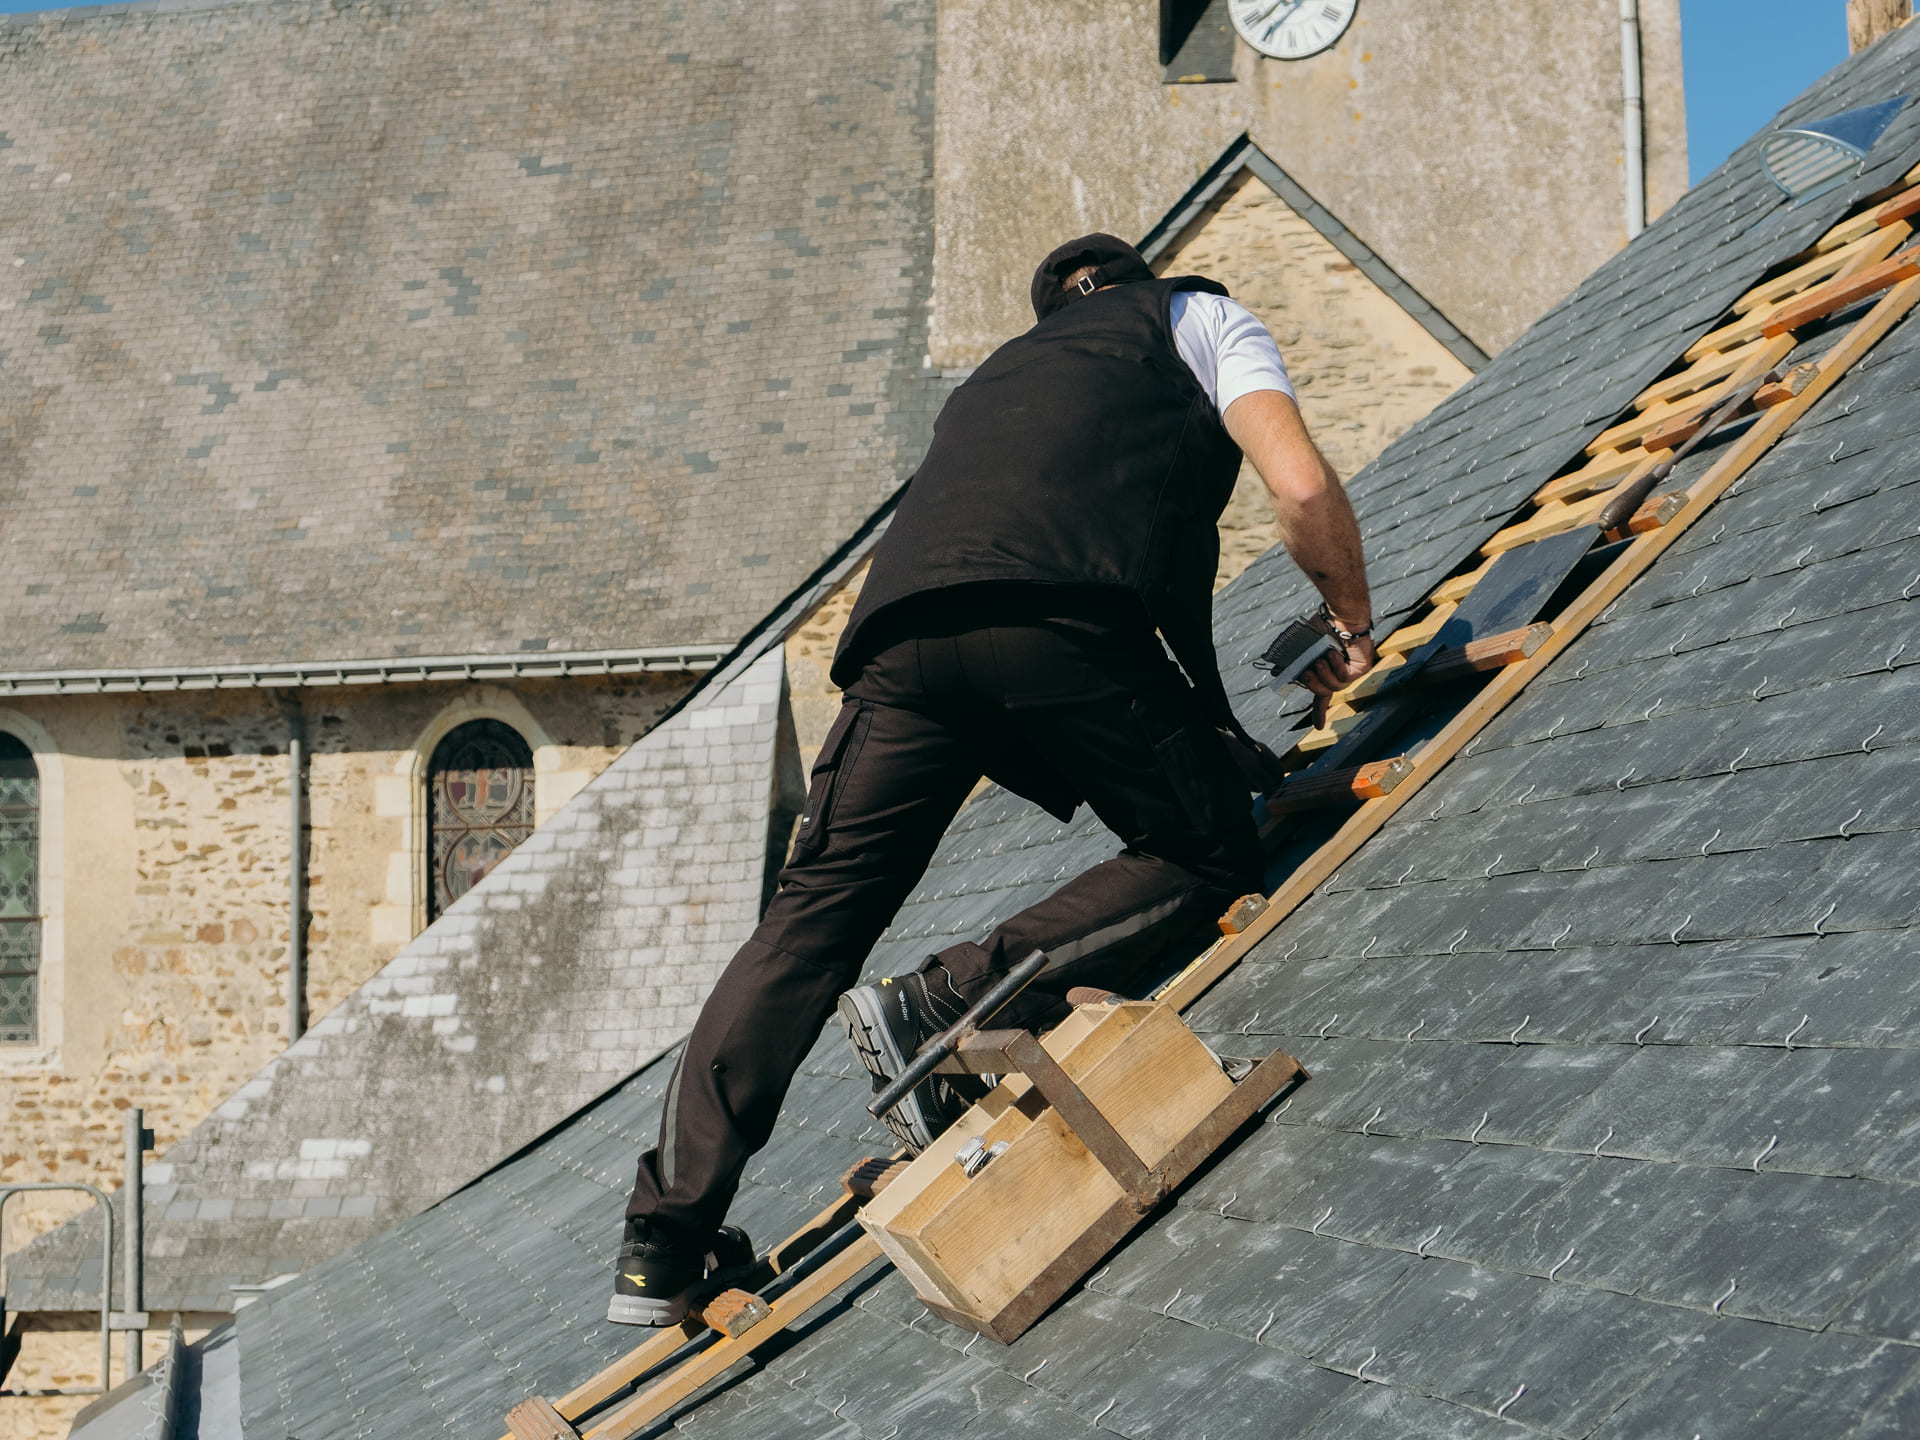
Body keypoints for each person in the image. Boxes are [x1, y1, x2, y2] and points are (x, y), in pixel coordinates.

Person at [607, 233, 1377, 1326]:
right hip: (1056, 628)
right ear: (1140, 280)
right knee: (1206, 850)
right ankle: (947, 998)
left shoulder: (996, 384)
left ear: (1050, 312)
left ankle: (660, 1243)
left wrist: (1217, 742)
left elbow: (1123, 600)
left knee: (805, 929)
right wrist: (1349, 618)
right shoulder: (1195, 320)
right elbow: (1298, 487)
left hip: (901, 646)